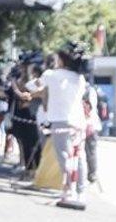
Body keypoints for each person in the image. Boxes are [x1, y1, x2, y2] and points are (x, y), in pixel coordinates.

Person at [19, 43, 93, 205]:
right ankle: (81, 191)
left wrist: (32, 74)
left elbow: (31, 86)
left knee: (64, 157)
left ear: (62, 59)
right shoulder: (79, 78)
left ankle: (69, 191)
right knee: (78, 157)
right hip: (78, 121)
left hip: (60, 120)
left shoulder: (51, 75)